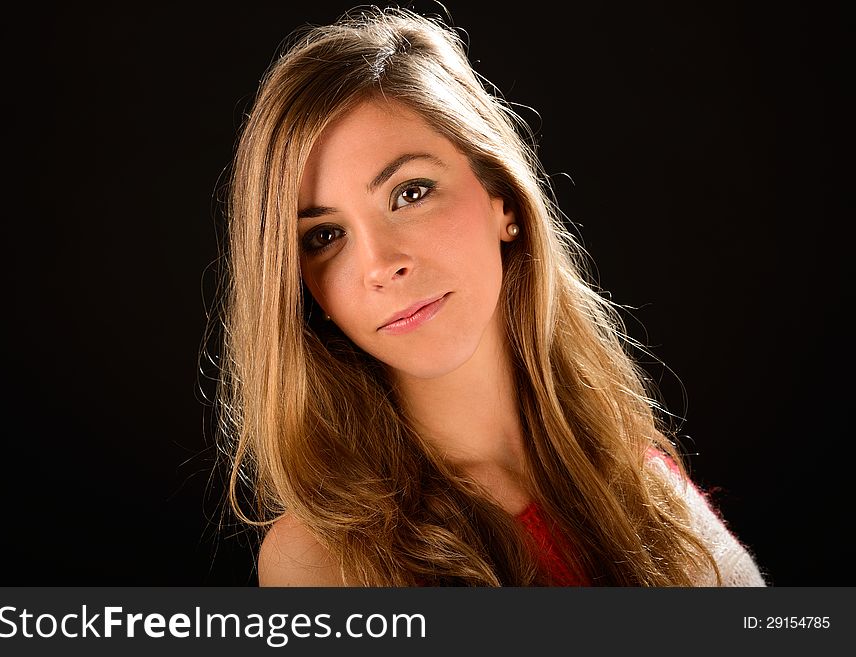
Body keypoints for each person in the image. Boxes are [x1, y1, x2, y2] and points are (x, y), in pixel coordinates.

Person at [215, 5, 767, 586]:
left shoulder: (644, 484)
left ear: (501, 199)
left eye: (410, 193)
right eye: (325, 237)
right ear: (304, 288)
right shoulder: (322, 560)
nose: (380, 265)